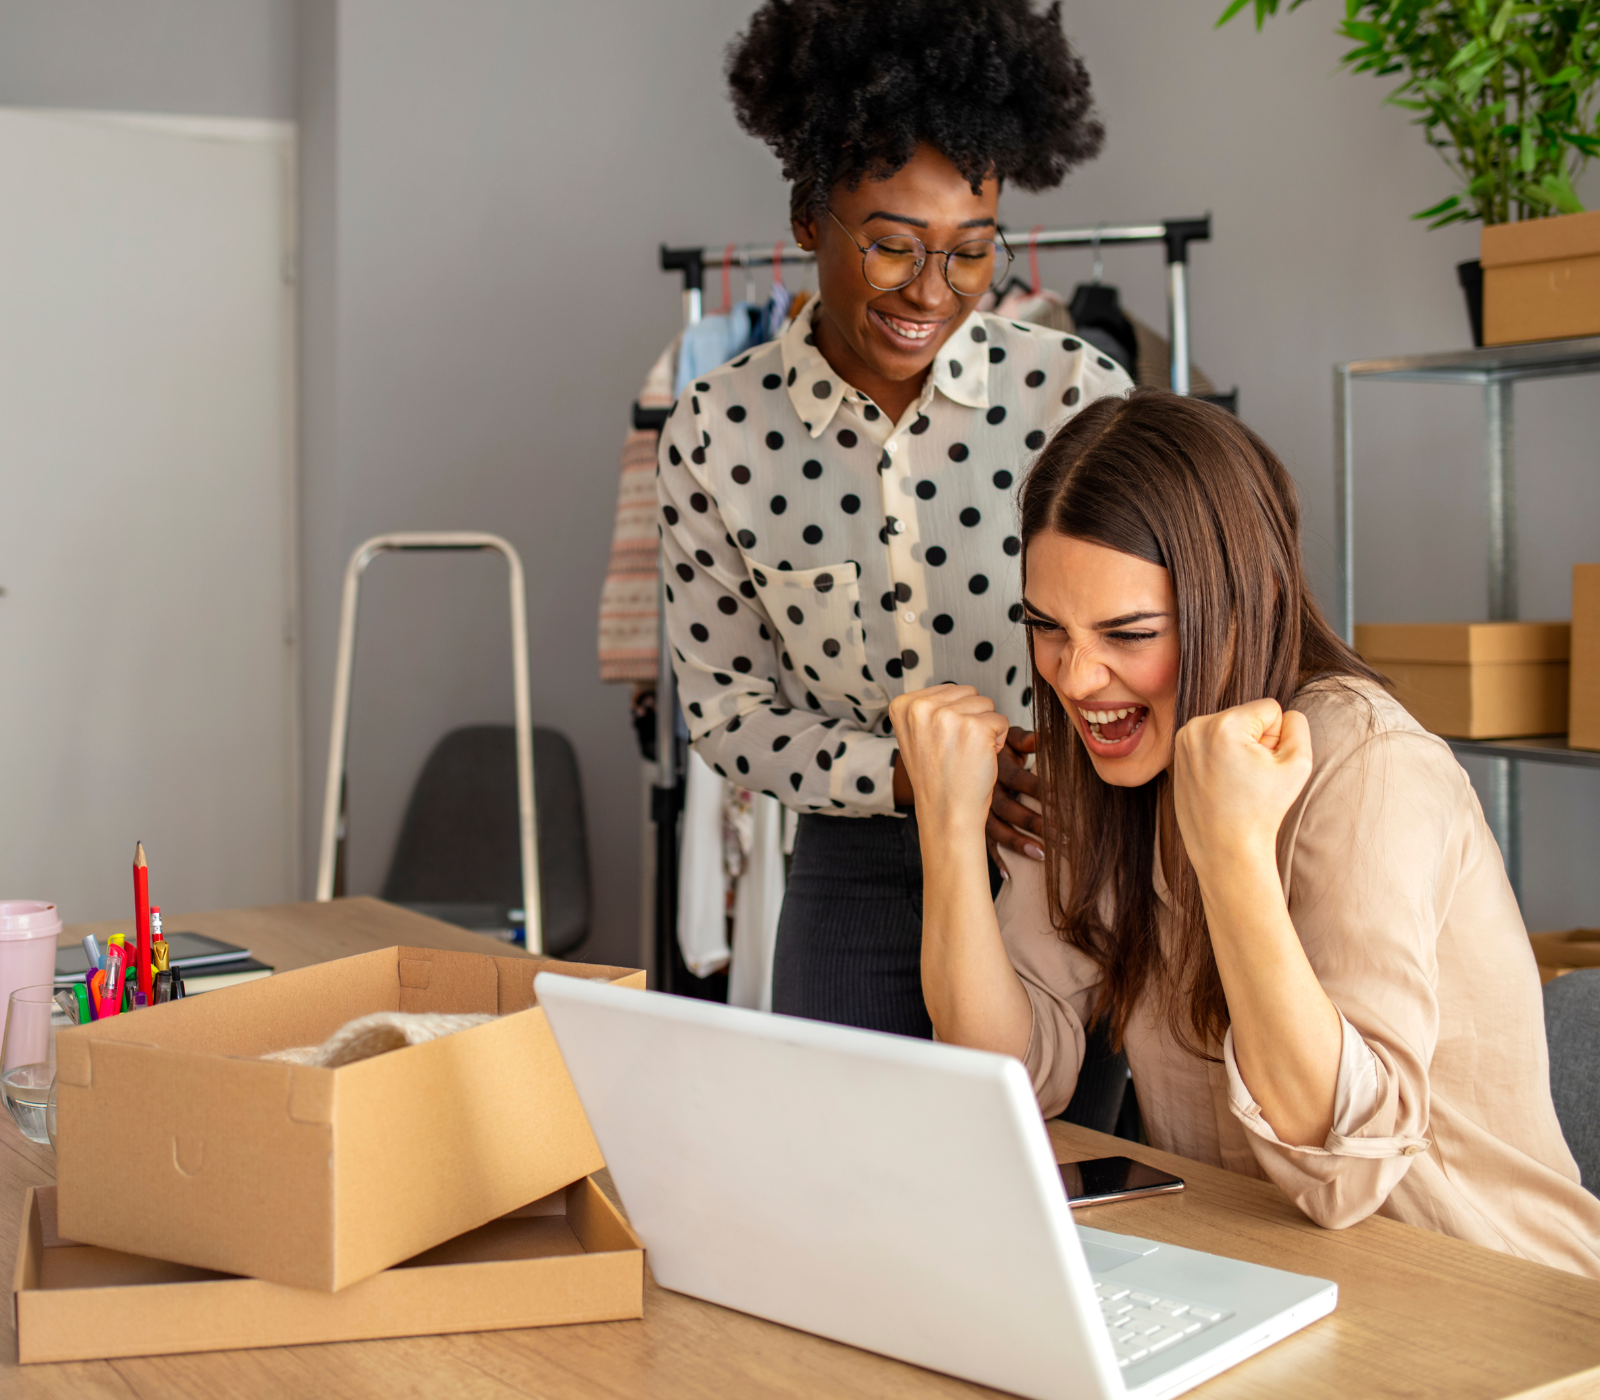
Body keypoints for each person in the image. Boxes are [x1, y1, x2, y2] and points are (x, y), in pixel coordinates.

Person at [891, 389, 1600, 1275]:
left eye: (1129, 632)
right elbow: (1009, 1079)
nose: (1076, 677)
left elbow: (1342, 1169)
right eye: (1048, 629)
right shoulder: (1106, 761)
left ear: (1244, 597)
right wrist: (951, 832)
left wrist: (1230, 853)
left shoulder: (1366, 760)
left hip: (1482, 1293)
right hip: (1253, 1270)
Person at [658, 0, 1128, 1038]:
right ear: (805, 221)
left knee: (1059, 1176)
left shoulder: (1075, 398)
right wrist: (914, 776)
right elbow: (726, 709)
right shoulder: (717, 429)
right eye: (890, 248)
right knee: (842, 1170)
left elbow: (1152, 637)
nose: (932, 291)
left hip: (1056, 852)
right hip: (853, 868)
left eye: (970, 253)